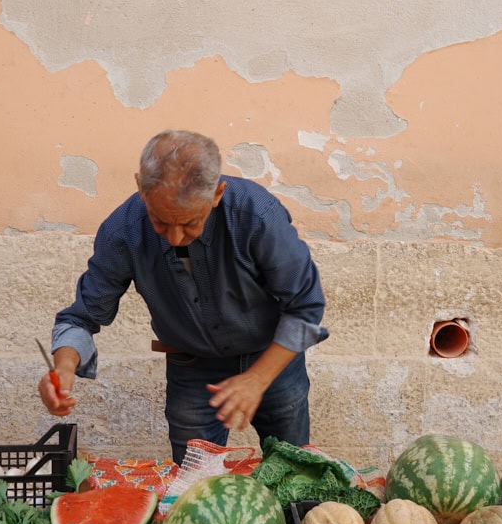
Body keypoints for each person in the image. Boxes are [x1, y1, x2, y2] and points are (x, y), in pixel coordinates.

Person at [38, 129, 329, 465]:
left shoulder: (257, 215)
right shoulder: (121, 231)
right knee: (194, 483)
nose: (175, 237)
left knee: (293, 470)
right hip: (192, 369)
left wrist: (258, 378)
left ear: (217, 193)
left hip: (274, 360)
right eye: (160, 222)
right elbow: (81, 317)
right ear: (140, 187)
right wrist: (63, 368)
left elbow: (306, 307)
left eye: (191, 223)